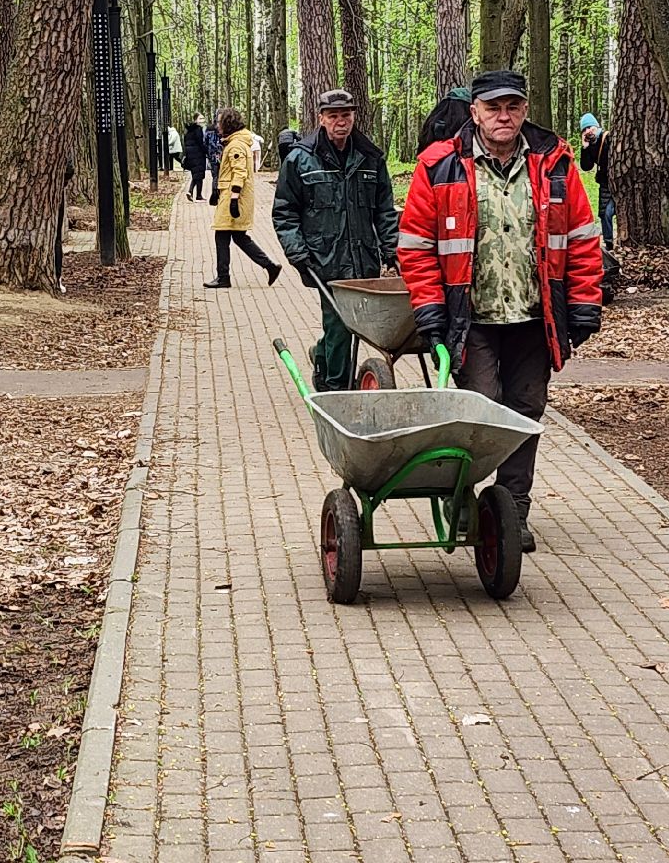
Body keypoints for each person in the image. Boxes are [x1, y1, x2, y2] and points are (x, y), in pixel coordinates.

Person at [398, 70, 605, 552]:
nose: (503, 116)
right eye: (493, 108)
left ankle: (512, 509)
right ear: (474, 112)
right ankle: (464, 501)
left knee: (525, 412)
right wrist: (429, 309)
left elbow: (581, 238)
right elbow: (415, 247)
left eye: (512, 106)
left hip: (536, 318)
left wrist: (584, 302)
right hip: (472, 319)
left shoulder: (554, 164)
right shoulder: (440, 165)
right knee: (482, 412)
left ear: (525, 109)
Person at [272, 89, 400, 391]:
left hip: (363, 257)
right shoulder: (300, 160)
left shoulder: (371, 158)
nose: (340, 121)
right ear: (321, 119)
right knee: (342, 323)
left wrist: (391, 251)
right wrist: (297, 252)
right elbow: (284, 211)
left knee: (347, 325)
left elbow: (384, 210)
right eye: (333, 116)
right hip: (323, 259)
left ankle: (322, 357)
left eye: (346, 115)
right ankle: (335, 390)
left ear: (354, 117)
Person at [203, 109, 282, 289]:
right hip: (231, 194)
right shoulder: (235, 142)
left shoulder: (236, 145)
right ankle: (270, 266)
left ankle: (224, 277)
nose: (217, 126)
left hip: (234, 197)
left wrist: (233, 199)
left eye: (220, 122)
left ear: (227, 124)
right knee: (239, 237)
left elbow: (239, 172)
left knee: (222, 235)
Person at [576, 112, 614, 250]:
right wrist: (585, 147)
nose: (588, 131)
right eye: (584, 129)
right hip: (604, 184)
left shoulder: (608, 137)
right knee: (605, 213)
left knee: (614, 211)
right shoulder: (591, 145)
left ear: (596, 126)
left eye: (589, 127)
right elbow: (586, 167)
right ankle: (609, 244)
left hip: (617, 182)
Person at [181, 115, 209, 201]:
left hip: (191, 155)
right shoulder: (198, 129)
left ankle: (197, 194)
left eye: (203, 118)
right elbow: (200, 142)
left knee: (197, 174)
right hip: (198, 155)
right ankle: (191, 191)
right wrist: (206, 151)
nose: (202, 120)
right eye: (200, 118)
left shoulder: (188, 130)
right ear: (195, 120)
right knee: (198, 174)